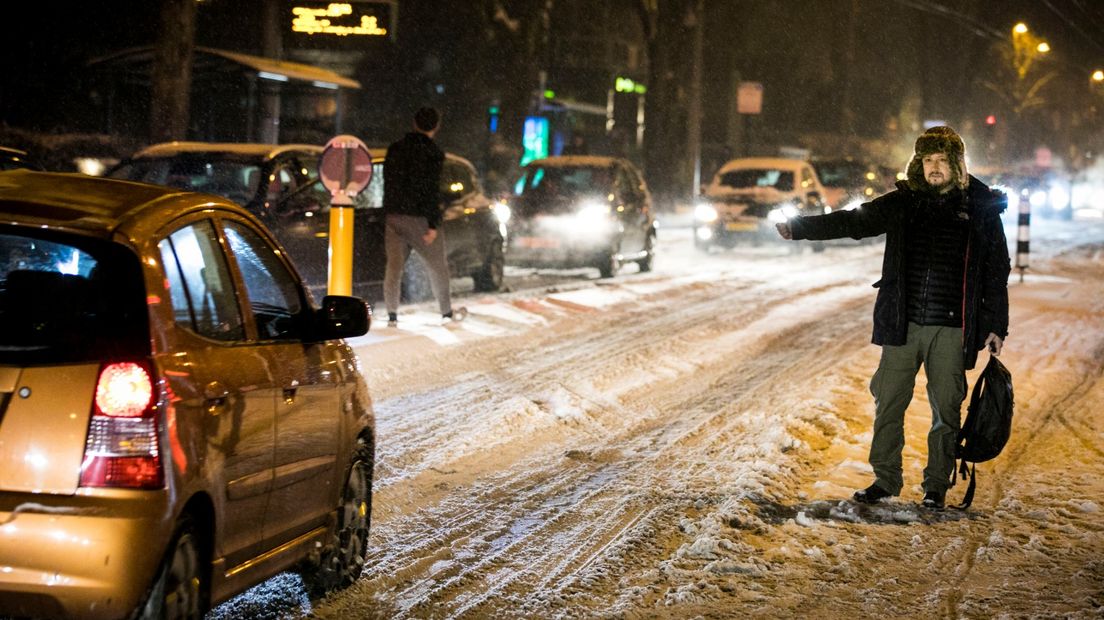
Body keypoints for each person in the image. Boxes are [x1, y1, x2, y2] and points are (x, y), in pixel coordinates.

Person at [776, 126, 1010, 510]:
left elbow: (996, 270)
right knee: (888, 401)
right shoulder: (904, 202)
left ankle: (936, 485)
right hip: (903, 323)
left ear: (957, 164)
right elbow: (854, 221)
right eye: (928, 160)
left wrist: (995, 324)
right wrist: (801, 227)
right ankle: (885, 479)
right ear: (918, 163)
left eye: (942, 161)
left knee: (946, 409)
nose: (934, 168)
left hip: (952, 328)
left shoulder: (980, 209)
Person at [382, 106, 466, 327]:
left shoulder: (395, 149)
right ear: (436, 126)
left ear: (414, 123)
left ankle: (391, 314)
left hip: (394, 216)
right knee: (438, 265)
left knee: (394, 267)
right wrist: (433, 224)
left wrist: (390, 209)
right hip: (418, 217)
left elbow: (389, 181)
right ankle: (446, 313)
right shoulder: (433, 154)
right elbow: (429, 190)